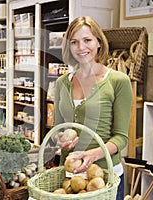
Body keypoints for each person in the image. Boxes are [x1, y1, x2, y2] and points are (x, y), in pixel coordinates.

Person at [53, 16, 132, 200]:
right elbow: (58, 127)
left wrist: (93, 155)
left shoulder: (118, 81)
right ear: (69, 47)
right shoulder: (62, 83)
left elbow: (121, 138)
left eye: (87, 40)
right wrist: (60, 139)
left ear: (98, 42)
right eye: (74, 42)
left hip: (103, 177)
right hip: (71, 178)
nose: (81, 47)